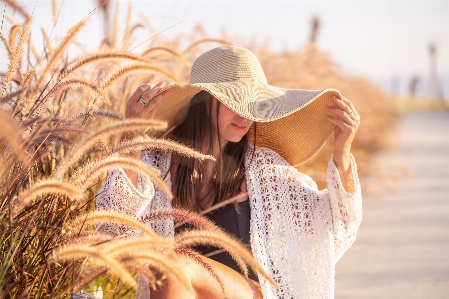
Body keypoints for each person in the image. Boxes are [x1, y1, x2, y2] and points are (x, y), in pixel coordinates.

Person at [96, 46, 362, 299]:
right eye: (235, 100)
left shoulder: (265, 172)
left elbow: (338, 225)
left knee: (174, 263)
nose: (246, 114)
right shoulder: (157, 164)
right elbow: (114, 229)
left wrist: (342, 151)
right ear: (203, 100)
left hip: (254, 293)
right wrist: (131, 137)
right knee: (173, 266)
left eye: (253, 103)